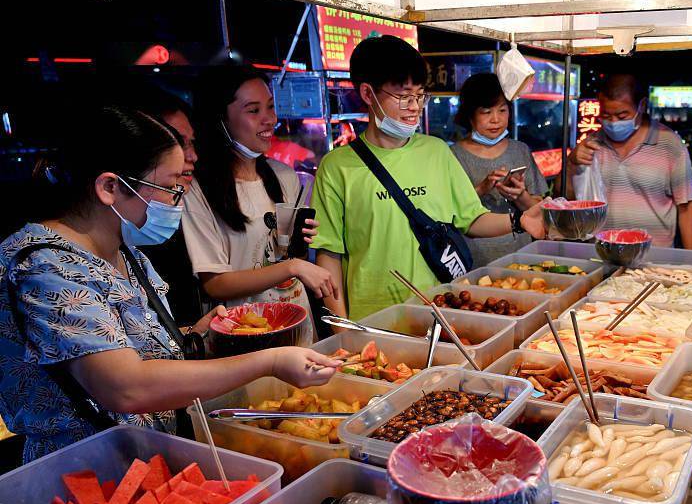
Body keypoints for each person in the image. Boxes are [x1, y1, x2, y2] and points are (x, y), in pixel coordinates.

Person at [0, 106, 341, 462]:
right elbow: (125, 387)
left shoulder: (125, 251)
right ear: (110, 187)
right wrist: (269, 362)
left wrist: (195, 336)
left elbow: (129, 344)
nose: (176, 201)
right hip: (87, 470)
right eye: (167, 187)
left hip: (151, 454)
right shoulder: (44, 268)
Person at [311, 36, 546, 321]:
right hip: (372, 318)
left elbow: (470, 218)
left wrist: (519, 221)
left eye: (420, 95)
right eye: (403, 96)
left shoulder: (436, 151)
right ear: (368, 94)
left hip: (440, 311)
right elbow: (329, 255)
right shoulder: (336, 167)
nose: (415, 106)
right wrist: (344, 332)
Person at [184, 66, 337, 344]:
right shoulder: (198, 189)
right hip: (241, 333)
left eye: (270, 107)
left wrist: (298, 248)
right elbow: (215, 283)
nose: (270, 119)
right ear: (221, 120)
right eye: (253, 111)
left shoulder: (284, 176)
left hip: (295, 320)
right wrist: (292, 267)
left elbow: (291, 258)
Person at [566, 74, 692, 249]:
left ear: (642, 105)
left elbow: (687, 207)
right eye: (606, 115)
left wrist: (691, 259)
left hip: (653, 262)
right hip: (602, 257)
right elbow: (568, 200)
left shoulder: (669, 144)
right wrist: (571, 164)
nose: (613, 122)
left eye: (622, 116)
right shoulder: (591, 145)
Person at [451, 73, 547, 266]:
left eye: (502, 110)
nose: (496, 119)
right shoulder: (453, 156)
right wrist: (482, 189)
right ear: (470, 115)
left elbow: (538, 209)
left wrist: (520, 195)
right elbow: (451, 213)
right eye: (486, 112)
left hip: (521, 256)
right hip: (474, 259)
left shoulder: (520, 150)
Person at [136, 88, 205, 327]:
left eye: (191, 143)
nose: (191, 156)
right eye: (178, 142)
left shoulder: (168, 216)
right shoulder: (50, 264)